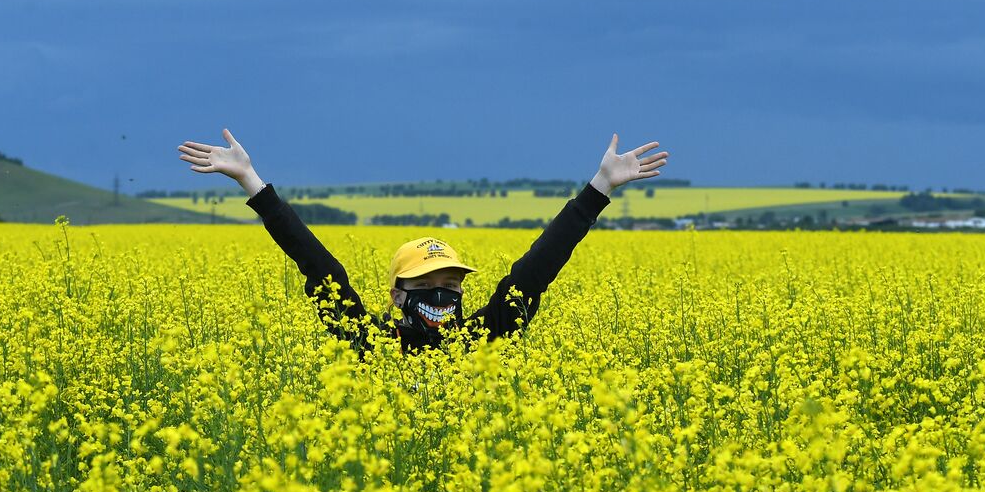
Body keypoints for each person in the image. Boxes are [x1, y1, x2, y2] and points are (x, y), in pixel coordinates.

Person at [176, 130, 668, 356]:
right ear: (396, 294)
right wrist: (253, 184)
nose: (443, 294)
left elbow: (531, 276)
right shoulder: (373, 345)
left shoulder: (484, 340)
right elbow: (322, 273)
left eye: (451, 282)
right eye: (426, 282)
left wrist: (597, 190)